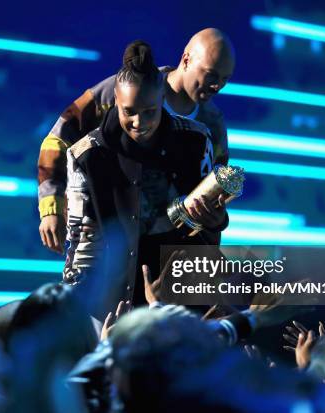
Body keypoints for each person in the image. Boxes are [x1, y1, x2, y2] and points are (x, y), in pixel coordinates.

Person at [38, 28, 236, 253]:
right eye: (210, 74)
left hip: (165, 259)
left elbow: (214, 195)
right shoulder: (124, 90)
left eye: (224, 79)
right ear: (186, 59)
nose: (216, 86)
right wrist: (51, 208)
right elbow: (57, 139)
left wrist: (213, 225)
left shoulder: (213, 126)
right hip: (106, 249)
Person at [63, 40, 228, 307]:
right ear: (115, 100)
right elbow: (82, 241)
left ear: (162, 98)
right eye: (130, 111)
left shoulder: (197, 141)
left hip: (183, 299)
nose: (140, 122)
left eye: (150, 111)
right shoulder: (86, 156)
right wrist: (76, 303)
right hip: (115, 306)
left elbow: (209, 226)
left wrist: (216, 219)